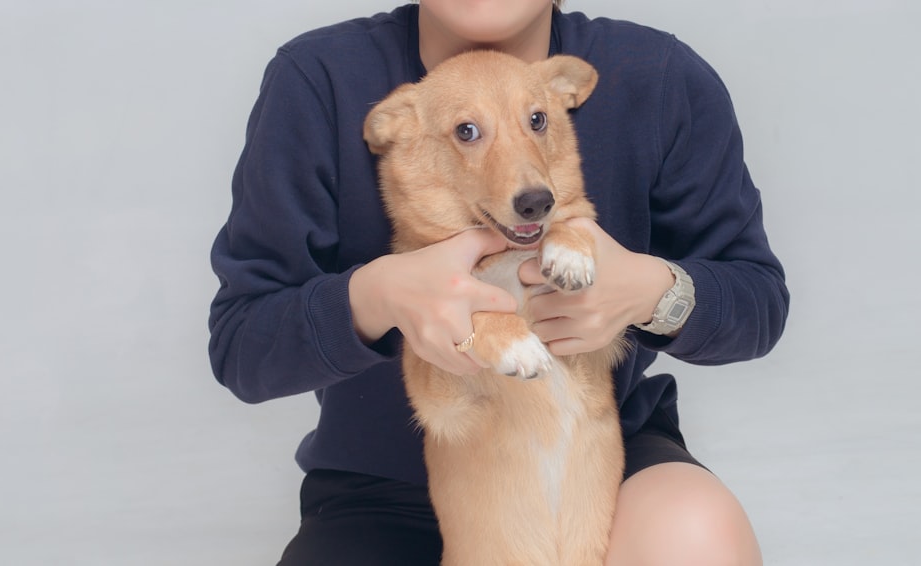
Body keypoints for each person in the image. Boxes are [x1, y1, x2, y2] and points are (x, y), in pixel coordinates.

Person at [208, 0, 789, 564]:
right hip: (379, 492)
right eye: (466, 132)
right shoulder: (318, 78)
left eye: (536, 122)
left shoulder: (658, 75)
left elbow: (756, 301)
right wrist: (377, 296)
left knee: (693, 530)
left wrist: (653, 291)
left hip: (602, 462)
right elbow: (242, 346)